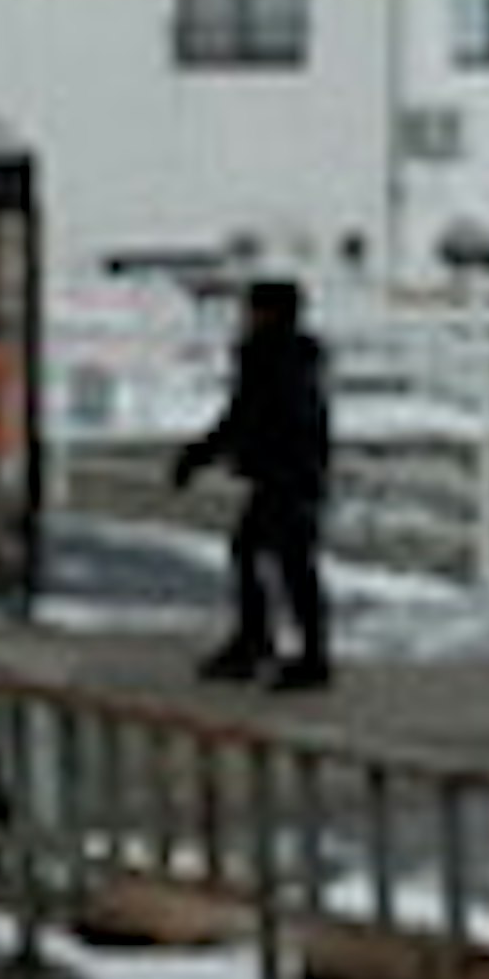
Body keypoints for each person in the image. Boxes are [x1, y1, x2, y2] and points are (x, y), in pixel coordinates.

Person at [175, 274, 333, 691]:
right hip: (293, 474)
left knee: (277, 559)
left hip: (284, 476)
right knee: (269, 556)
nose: (245, 318)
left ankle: (285, 650)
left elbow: (245, 416)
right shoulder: (295, 357)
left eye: (252, 309)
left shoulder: (270, 358)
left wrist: (200, 455)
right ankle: (273, 644)